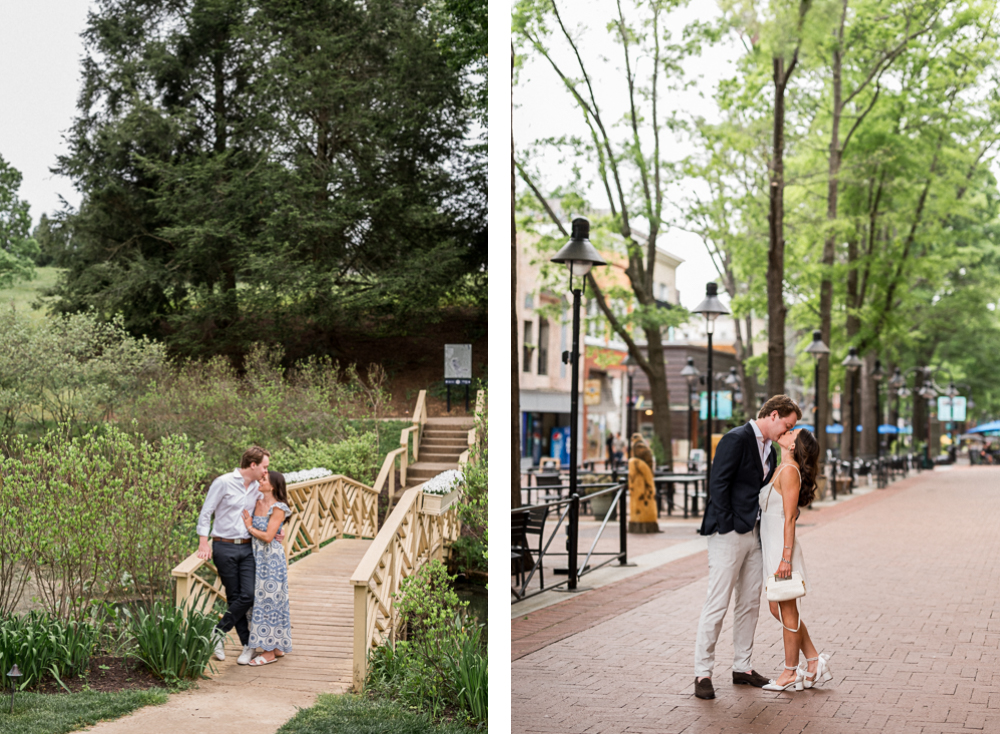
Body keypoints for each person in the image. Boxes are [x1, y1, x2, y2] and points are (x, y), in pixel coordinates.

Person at [693, 395, 801, 700]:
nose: (788, 432)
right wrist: (729, 525)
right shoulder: (736, 438)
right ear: (774, 414)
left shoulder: (769, 449)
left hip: (755, 537)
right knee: (718, 602)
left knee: (749, 603)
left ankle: (743, 666)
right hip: (728, 533)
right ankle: (703, 672)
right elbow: (718, 485)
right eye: (788, 426)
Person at [758, 428, 833, 691]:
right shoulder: (781, 468)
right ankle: (813, 660)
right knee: (776, 609)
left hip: (782, 549)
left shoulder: (790, 472)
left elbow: (789, 518)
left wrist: (786, 558)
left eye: (792, 431)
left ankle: (790, 671)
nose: (786, 431)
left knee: (788, 611)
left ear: (793, 446)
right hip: (772, 547)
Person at [196, 446, 270, 666]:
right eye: (265, 466)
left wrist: (277, 529)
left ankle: (218, 632)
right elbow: (206, 511)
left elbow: (271, 505)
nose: (267, 471)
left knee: (248, 595)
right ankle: (248, 647)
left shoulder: (258, 487)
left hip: (247, 547)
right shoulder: (223, 482)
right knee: (234, 595)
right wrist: (203, 542)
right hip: (223, 546)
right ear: (253, 465)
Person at [241, 469, 293, 666]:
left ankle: (269, 652)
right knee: (259, 601)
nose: (260, 481)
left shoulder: (278, 507)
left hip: (270, 560)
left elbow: (269, 536)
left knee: (270, 602)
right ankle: (277, 645)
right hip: (256, 557)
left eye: (264, 479)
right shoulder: (256, 501)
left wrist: (250, 527)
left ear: (272, 486)